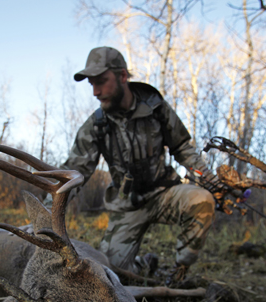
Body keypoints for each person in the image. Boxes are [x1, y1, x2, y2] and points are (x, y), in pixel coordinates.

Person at [63, 46, 215, 285]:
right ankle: (144, 264)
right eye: (91, 84)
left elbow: (182, 147)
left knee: (202, 199)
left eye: (101, 82)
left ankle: (178, 274)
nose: (95, 91)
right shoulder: (95, 125)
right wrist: (45, 210)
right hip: (127, 206)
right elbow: (75, 171)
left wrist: (204, 174)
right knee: (110, 274)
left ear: (123, 76)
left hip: (165, 193)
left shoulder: (155, 107)